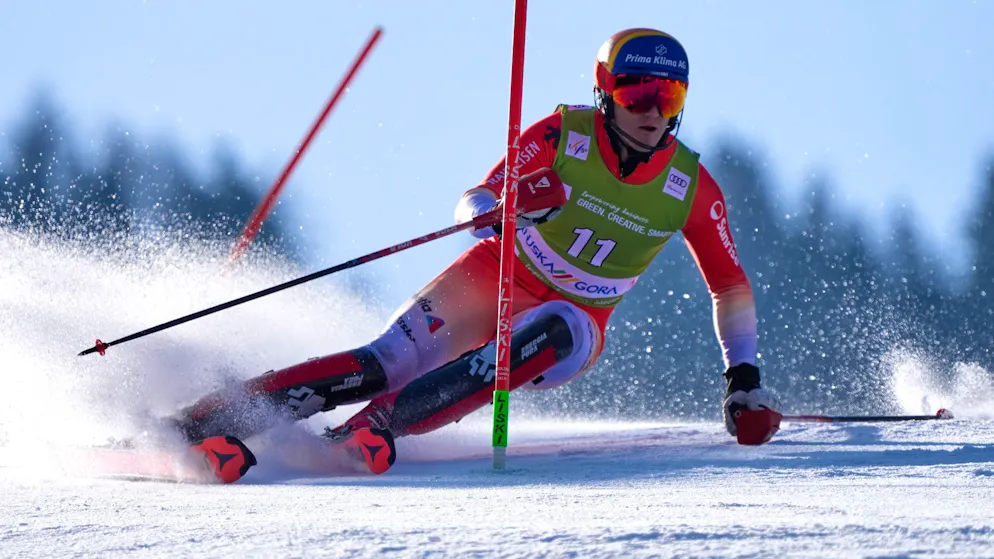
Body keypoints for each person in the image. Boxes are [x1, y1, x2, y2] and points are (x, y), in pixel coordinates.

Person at [173, 28, 782, 482]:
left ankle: (374, 427)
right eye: (637, 92)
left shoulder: (691, 188)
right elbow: (475, 201)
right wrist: (505, 207)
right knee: (382, 362)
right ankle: (202, 420)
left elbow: (729, 286)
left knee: (553, 330)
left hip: (578, 316)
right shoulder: (560, 136)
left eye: (669, 97)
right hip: (493, 276)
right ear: (605, 91)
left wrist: (743, 384)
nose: (652, 112)